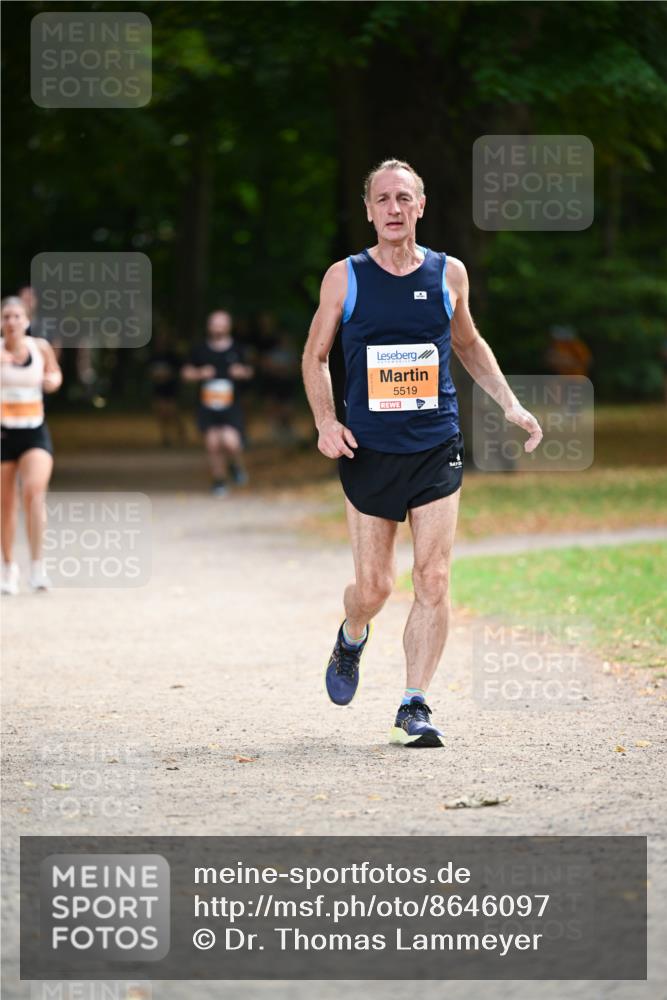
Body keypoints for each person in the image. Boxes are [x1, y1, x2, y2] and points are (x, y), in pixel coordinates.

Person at [302, 158, 543, 747]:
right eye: (382, 199)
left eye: (403, 198)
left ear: (420, 206)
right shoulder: (346, 276)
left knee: (432, 578)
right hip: (369, 450)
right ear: (368, 210)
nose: (393, 208)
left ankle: (414, 704)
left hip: (436, 444)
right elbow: (315, 356)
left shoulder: (447, 273)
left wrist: (509, 403)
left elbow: (468, 342)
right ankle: (353, 632)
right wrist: (327, 421)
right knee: (375, 587)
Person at [1, 295, 63, 593]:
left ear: (26, 321)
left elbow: (54, 372)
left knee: (34, 493)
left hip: (34, 431)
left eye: (16, 316)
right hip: (3, 435)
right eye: (6, 317)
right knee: (6, 504)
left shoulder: (40, 347)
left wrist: (53, 381)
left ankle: (37, 567)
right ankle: (8, 567)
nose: (11, 322)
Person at [181, 310, 253, 496]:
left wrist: (241, 372)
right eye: (214, 323)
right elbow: (185, 372)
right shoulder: (199, 349)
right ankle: (219, 480)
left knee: (231, 442)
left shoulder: (238, 349)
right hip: (207, 405)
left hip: (232, 404)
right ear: (209, 326)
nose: (218, 327)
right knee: (213, 443)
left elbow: (250, 371)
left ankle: (235, 465)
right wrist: (199, 374)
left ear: (229, 326)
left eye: (221, 323)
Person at [148, 326, 186, 447]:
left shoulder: (173, 355)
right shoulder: (154, 355)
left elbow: (180, 370)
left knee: (172, 412)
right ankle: (165, 436)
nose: (161, 341)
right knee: (160, 412)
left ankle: (180, 431)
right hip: (158, 388)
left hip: (170, 388)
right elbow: (149, 370)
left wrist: (168, 375)